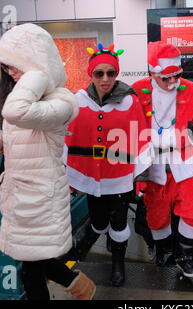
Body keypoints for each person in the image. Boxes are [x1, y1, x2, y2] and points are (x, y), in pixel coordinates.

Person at [0, 23, 95, 300]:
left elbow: (16, 110)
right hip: (20, 195)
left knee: (31, 271)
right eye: (5, 66)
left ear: (37, 62)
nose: (11, 73)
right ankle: (78, 284)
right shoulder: (26, 100)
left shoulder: (62, 100)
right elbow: (26, 140)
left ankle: (77, 283)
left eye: (15, 64)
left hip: (39, 198)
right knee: (32, 265)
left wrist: (38, 73)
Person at [63, 43, 152, 287]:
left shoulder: (129, 101)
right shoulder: (78, 100)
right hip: (91, 177)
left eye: (111, 73)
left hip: (120, 176)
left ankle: (117, 263)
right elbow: (66, 137)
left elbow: (141, 137)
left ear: (117, 73)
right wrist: (68, 175)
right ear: (90, 74)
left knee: (119, 223)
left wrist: (141, 176)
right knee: (99, 222)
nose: (105, 79)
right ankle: (93, 244)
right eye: (99, 73)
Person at [132, 41, 193, 278]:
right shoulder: (137, 91)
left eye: (176, 75)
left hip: (186, 166)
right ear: (153, 72)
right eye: (166, 78)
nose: (173, 82)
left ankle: (186, 257)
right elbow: (127, 129)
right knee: (156, 215)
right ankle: (164, 252)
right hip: (153, 167)